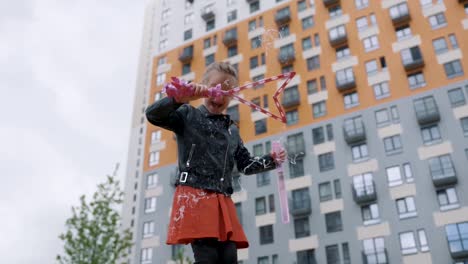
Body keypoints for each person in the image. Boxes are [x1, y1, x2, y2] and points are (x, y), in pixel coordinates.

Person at [145, 62, 286, 264]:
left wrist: (271, 160)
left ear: (234, 96)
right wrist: (176, 100)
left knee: (229, 257)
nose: (219, 96)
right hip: (195, 195)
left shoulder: (232, 131)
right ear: (204, 86)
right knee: (207, 257)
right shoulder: (187, 115)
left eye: (227, 92)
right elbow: (153, 115)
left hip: (221, 201)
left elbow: (245, 165)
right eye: (215, 88)